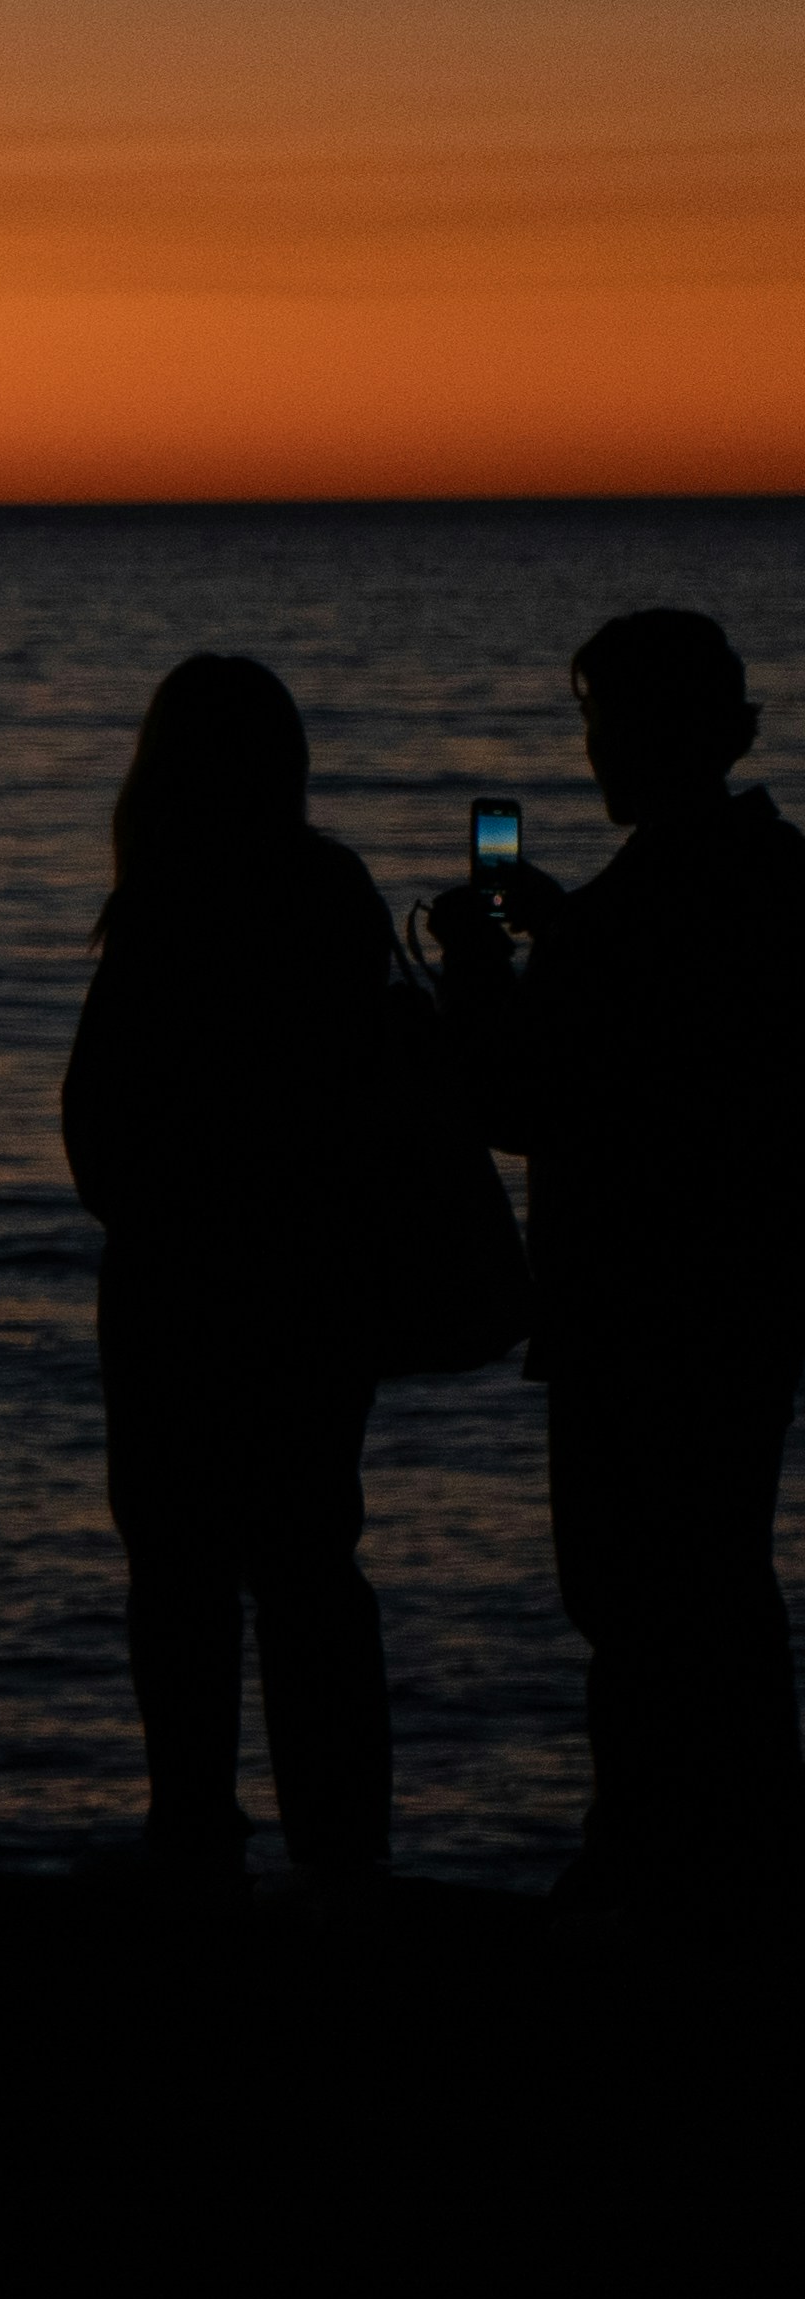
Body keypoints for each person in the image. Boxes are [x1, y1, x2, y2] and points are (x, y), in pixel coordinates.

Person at [430, 608, 805, 1914]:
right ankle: (736, 1853)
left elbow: (521, 1098)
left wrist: (479, 975)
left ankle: (652, 1865)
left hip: (634, 1303)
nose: (590, 749)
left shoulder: (641, 913)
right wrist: (566, 927)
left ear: (656, 732)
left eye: (601, 723)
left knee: (636, 1596)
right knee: (719, 1587)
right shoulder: (770, 873)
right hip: (748, 1296)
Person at [59, 655, 406, 1894]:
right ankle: (343, 1845)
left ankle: (196, 1828)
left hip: (177, 1292)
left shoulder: (163, 906)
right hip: (314, 1286)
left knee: (180, 1574)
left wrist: (167, 1210)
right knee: (311, 1564)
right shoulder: (333, 892)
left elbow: (99, 1125)